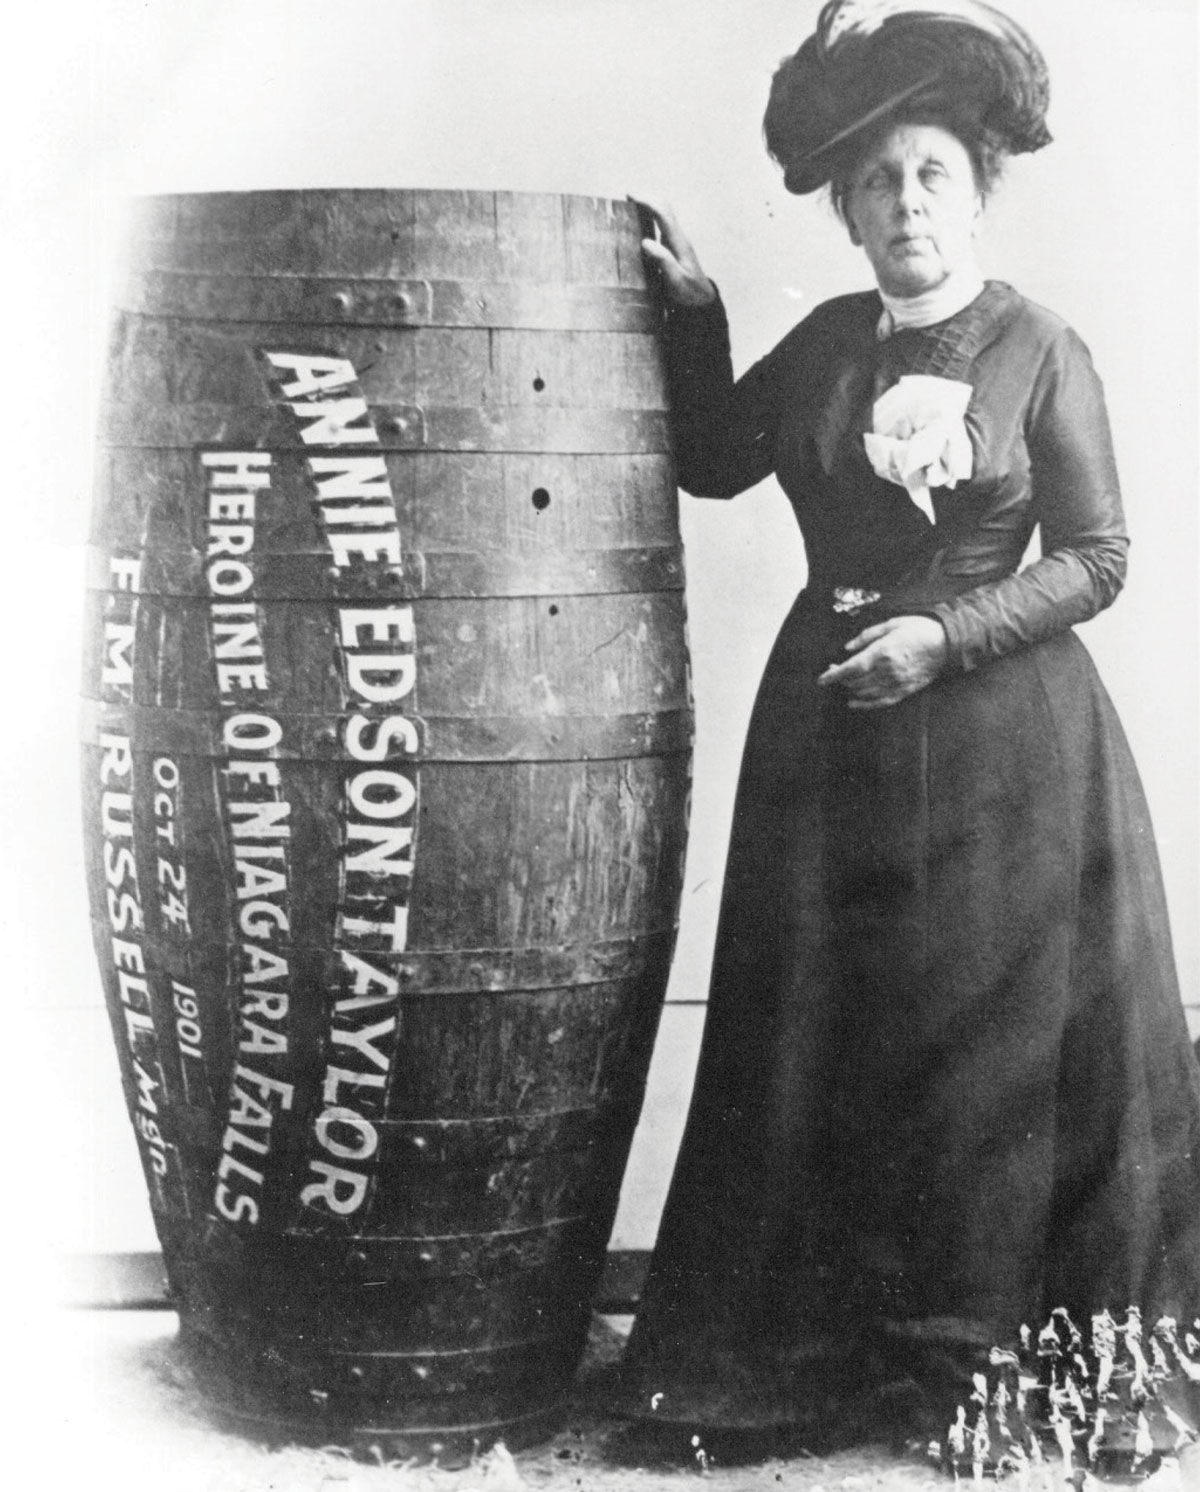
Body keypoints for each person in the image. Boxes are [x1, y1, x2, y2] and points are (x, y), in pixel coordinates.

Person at [615, 0, 1200, 1467]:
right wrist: (693, 318)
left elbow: (1103, 555)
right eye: (876, 183)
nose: (904, 205)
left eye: (931, 172)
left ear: (979, 186)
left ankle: (982, 1372)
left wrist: (949, 633)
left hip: (1009, 754)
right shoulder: (824, 346)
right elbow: (709, 459)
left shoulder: (1043, 348)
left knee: (983, 1055)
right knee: (815, 1031)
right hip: (829, 741)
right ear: (847, 211)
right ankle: (813, 1362)